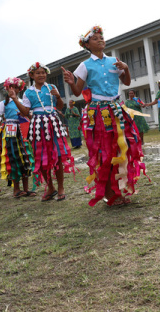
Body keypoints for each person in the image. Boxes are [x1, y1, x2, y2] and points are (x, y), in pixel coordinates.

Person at [62, 25, 146, 206]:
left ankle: (118, 190)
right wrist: (70, 82)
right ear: (87, 45)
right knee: (104, 153)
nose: (100, 39)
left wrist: (126, 68)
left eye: (101, 37)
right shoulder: (84, 65)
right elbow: (77, 93)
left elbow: (127, 81)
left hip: (116, 108)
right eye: (95, 38)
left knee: (120, 150)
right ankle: (109, 193)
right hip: (98, 113)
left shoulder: (114, 61)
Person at [10, 63, 74, 202]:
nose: (41, 75)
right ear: (32, 75)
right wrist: (15, 99)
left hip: (53, 123)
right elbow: (26, 112)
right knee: (41, 157)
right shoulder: (28, 92)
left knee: (57, 155)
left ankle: (61, 187)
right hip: (38, 125)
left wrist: (58, 97)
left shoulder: (52, 88)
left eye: (43, 72)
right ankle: (50, 187)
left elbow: (60, 107)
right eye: (38, 73)